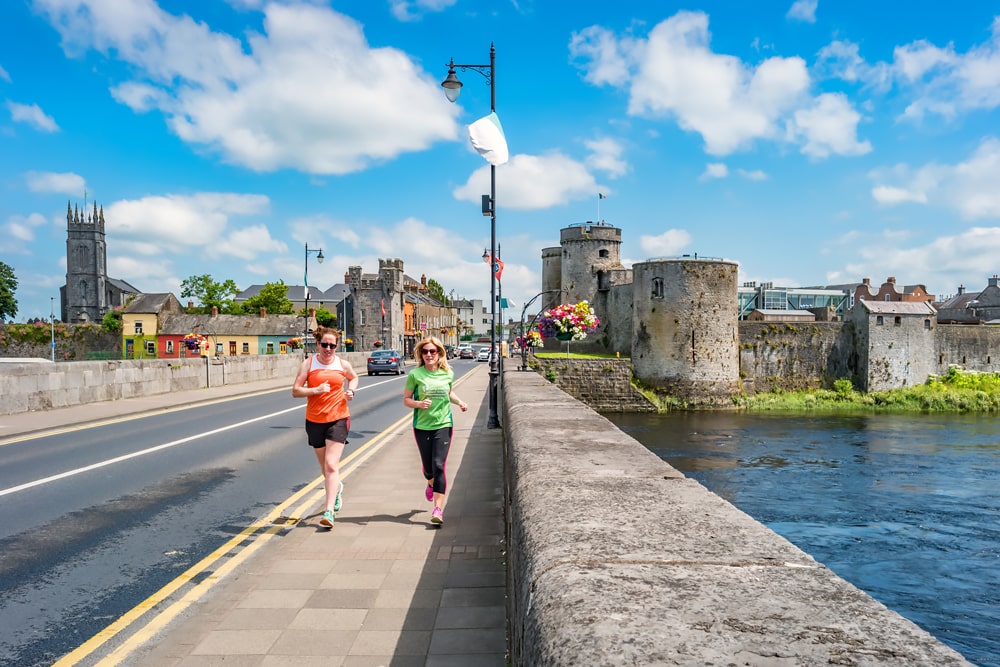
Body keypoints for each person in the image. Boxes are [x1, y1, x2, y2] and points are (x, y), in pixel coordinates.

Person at [292, 326, 359, 528]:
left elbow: (354, 377)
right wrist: (316, 390)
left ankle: (329, 511)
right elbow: (295, 391)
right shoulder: (309, 364)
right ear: (318, 344)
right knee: (325, 468)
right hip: (314, 420)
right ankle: (337, 488)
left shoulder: (342, 364)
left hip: (338, 418)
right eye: (324, 344)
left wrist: (351, 391)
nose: (328, 348)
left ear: (337, 346)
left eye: (332, 345)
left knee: (331, 465)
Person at [403, 336, 468, 525]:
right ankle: (430, 482)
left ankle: (438, 509)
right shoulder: (415, 375)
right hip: (422, 426)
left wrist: (460, 402)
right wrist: (418, 403)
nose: (429, 355)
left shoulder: (447, 373)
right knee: (428, 468)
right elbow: (406, 399)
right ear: (421, 355)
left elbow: (448, 392)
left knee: (439, 465)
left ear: (439, 353)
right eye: (425, 352)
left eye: (433, 351)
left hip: (443, 424)